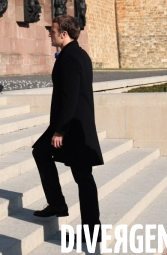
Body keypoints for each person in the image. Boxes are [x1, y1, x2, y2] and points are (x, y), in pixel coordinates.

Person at [32, 15, 103, 242]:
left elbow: (71, 97)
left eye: (52, 30)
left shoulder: (70, 57)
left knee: (83, 177)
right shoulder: (78, 54)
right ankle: (57, 203)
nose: (49, 33)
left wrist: (60, 130)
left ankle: (92, 230)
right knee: (41, 152)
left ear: (63, 33)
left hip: (73, 128)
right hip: (72, 124)